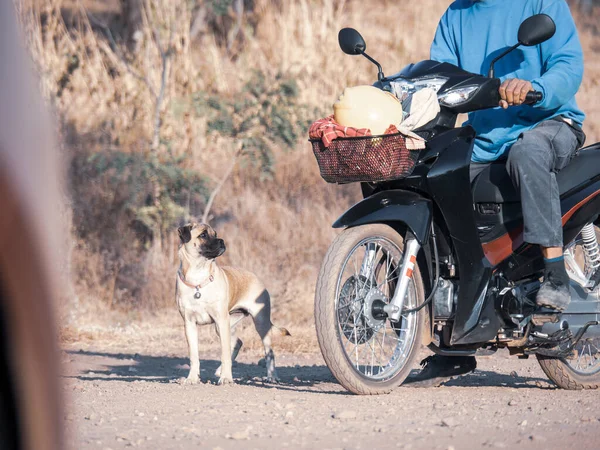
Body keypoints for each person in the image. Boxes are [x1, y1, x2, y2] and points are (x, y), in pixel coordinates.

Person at [407, 0, 587, 387]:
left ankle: (554, 274)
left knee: (528, 152)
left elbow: (569, 64)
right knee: (435, 178)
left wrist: (536, 89)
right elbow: (439, 79)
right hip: (486, 138)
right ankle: (454, 345)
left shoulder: (540, 3)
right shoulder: (455, 16)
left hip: (550, 123)